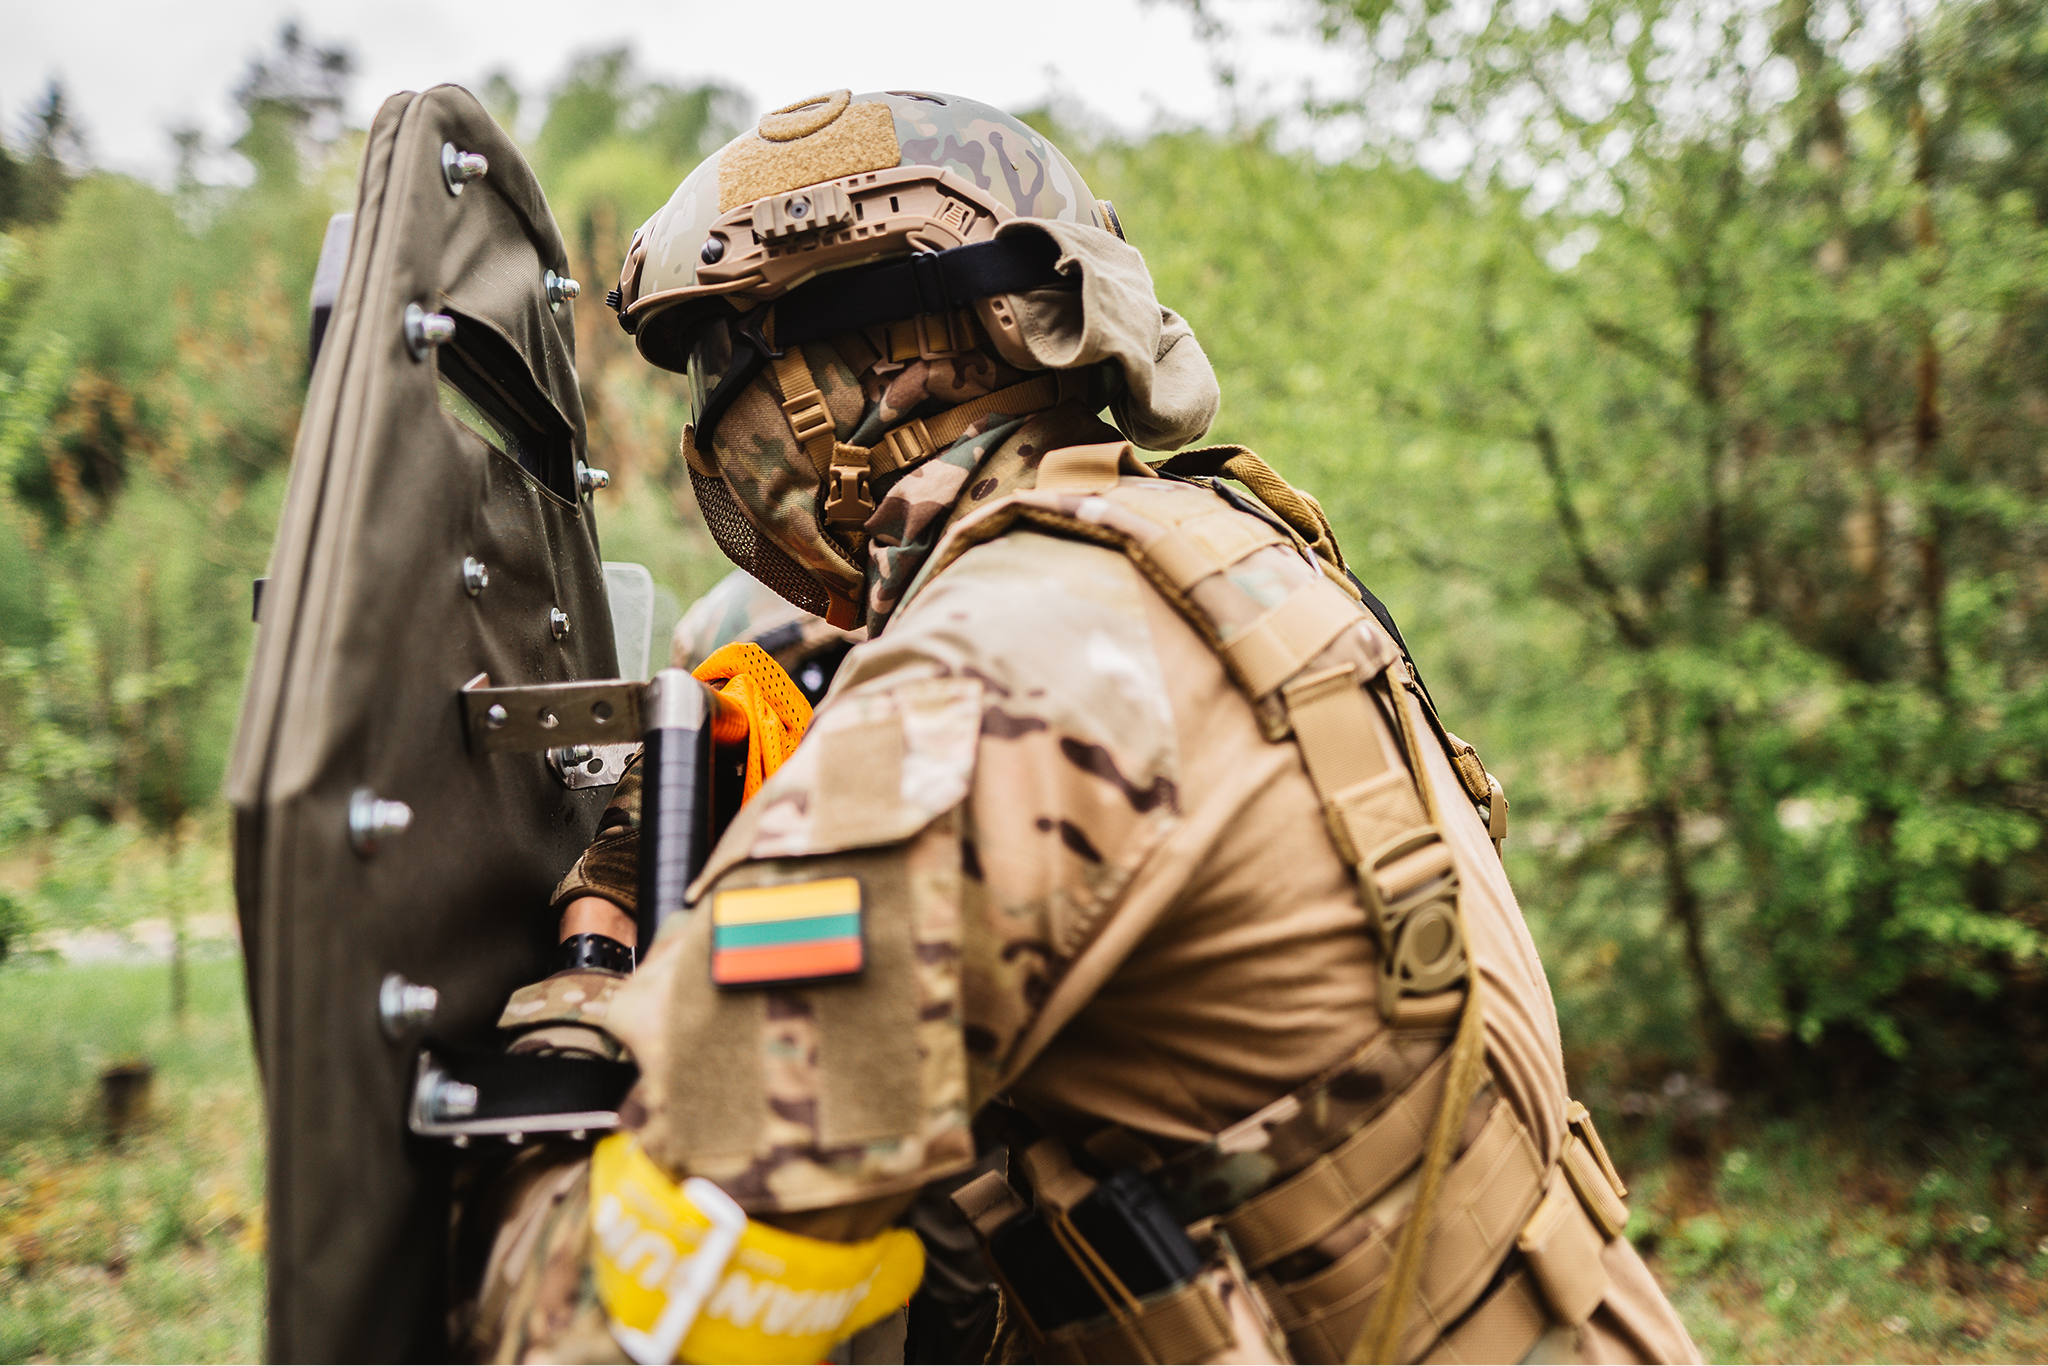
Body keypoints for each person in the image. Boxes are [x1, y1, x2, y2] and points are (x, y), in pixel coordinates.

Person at [471, 88, 1701, 1366]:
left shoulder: (985, 674)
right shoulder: (1219, 548)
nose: (714, 436)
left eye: (728, 369)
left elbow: (614, 1319)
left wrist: (583, 1005)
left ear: (861, 374)